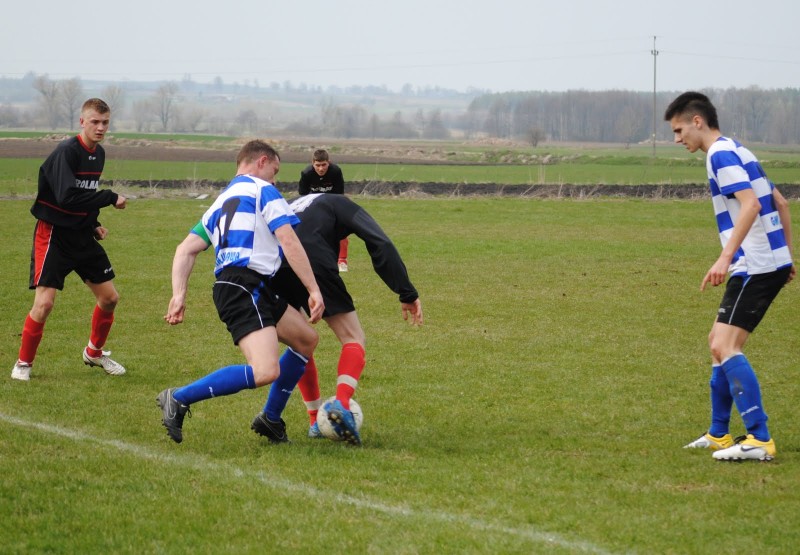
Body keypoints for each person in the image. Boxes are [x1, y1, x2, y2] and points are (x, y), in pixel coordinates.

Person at [157, 140, 325, 444]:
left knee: (306, 340)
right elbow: (288, 240)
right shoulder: (263, 191)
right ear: (262, 162)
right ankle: (178, 397)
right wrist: (313, 289)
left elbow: (185, 249)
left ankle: (271, 419)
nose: (275, 180)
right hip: (242, 286)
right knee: (265, 371)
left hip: (250, 285)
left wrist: (178, 294)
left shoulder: (220, 202)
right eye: (274, 171)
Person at [664, 92, 794, 462]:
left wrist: (724, 257)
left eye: (679, 130)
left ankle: (760, 439)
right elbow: (780, 202)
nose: (677, 139)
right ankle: (719, 434)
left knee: (726, 346)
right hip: (764, 260)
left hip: (755, 263)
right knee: (716, 343)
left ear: (697, 121)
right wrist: (787, 254)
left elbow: (751, 204)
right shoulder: (739, 149)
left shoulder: (720, 155)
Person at [269, 193, 423, 445]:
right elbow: (380, 242)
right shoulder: (341, 203)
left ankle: (314, 421)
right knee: (353, 337)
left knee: (300, 344)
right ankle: (341, 403)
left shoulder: (292, 202)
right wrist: (406, 292)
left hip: (274, 266)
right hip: (312, 262)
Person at [10, 98, 128, 381]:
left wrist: (94, 223)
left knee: (109, 298)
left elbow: (84, 195)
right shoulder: (67, 152)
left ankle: (94, 353)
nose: (100, 128)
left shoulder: (98, 153)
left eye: (105, 123)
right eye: (95, 122)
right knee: (44, 304)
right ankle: (23, 363)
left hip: (81, 235)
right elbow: (67, 198)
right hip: (54, 235)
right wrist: (109, 197)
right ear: (82, 121)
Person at [298, 149, 350, 272]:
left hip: (332, 203)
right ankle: (311, 259)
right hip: (314, 204)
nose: (321, 168)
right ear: (313, 163)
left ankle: (342, 261)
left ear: (329, 162)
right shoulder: (306, 173)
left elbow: (339, 194)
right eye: (317, 165)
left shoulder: (335, 171)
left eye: (324, 165)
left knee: (341, 228)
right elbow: (303, 195)